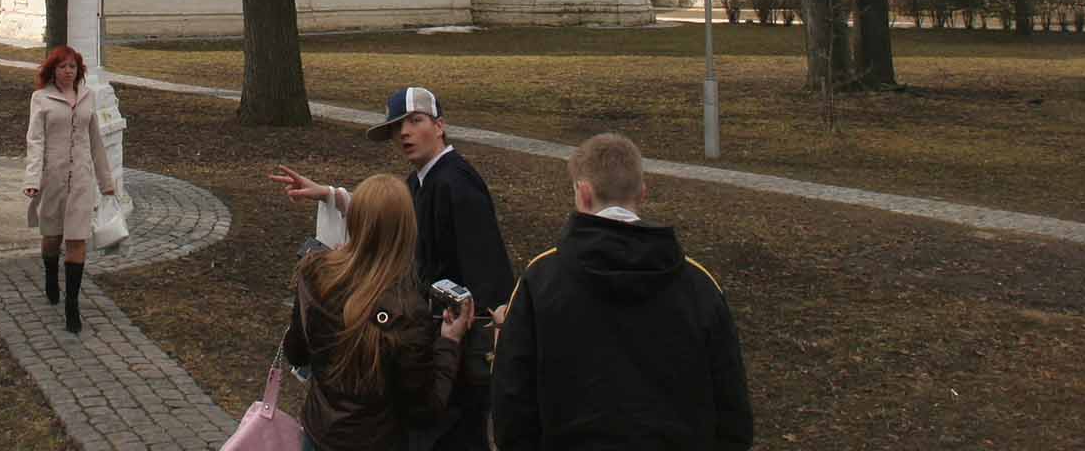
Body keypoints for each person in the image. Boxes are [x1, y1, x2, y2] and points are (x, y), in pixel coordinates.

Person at [270, 86, 513, 451]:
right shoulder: (422, 179)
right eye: (398, 126)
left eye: (415, 121)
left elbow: (487, 267)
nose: (404, 133)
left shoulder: (455, 183)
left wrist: (490, 327)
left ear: (440, 126)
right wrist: (331, 196)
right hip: (425, 356)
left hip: (456, 357)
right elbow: (388, 220)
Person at [490, 132, 754, 451]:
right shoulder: (699, 285)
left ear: (583, 193)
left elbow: (512, 410)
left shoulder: (540, 281)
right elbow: (732, 413)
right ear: (642, 193)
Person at [284, 173, 477, 451]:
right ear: (406, 232)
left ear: (354, 220)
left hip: (318, 435)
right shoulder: (408, 312)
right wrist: (449, 342)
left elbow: (297, 353)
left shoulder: (315, 273)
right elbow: (424, 409)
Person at [23, 44, 116, 334]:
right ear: (53, 70)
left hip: (81, 180)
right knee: (52, 237)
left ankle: (72, 305)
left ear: (79, 70)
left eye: (72, 67)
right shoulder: (41, 98)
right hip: (53, 178)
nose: (67, 71)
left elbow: (96, 142)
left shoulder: (88, 97)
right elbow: (35, 141)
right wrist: (32, 179)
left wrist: (106, 182)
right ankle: (51, 276)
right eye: (62, 66)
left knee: (77, 238)